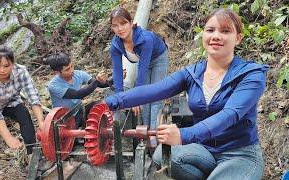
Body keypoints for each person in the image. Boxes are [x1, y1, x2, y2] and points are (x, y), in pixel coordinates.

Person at [105, 8, 269, 179]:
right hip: (204, 148)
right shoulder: (193, 73)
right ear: (203, 35)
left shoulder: (251, 75)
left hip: (239, 152)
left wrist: (184, 135)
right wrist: (112, 102)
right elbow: (154, 90)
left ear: (238, 38)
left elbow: (229, 115)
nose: (216, 36)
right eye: (210, 30)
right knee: (162, 155)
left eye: (225, 31)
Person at [0, 45, 44, 180]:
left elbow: (33, 96)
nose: (2, 70)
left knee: (25, 116)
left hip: (9, 101)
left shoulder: (21, 72)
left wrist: (41, 122)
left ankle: (33, 159)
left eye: (7, 65)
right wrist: (9, 138)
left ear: (13, 63)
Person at [109, 7, 169, 147]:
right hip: (142, 61)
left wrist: (136, 98)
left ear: (131, 23)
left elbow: (141, 73)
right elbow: (117, 73)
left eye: (123, 23)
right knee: (145, 101)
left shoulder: (145, 39)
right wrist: (120, 98)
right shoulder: (116, 45)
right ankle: (146, 133)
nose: (120, 29)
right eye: (115, 25)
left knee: (155, 96)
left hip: (158, 58)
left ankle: (155, 138)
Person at [46, 52, 110, 129]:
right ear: (57, 72)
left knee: (98, 104)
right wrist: (97, 81)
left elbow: (100, 84)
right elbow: (78, 94)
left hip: (78, 111)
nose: (71, 70)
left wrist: (114, 79)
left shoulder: (79, 74)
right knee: (73, 139)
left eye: (71, 66)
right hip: (64, 119)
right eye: (67, 69)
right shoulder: (53, 86)